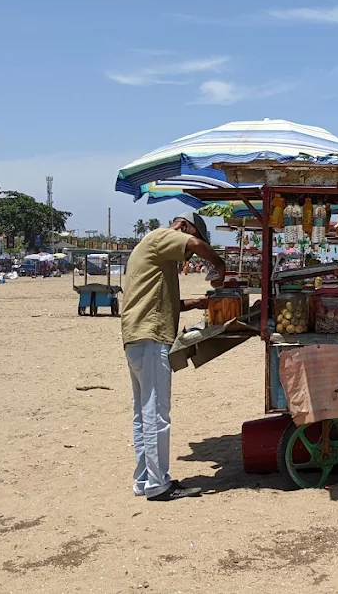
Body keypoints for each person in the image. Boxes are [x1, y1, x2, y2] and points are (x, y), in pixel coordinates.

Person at [119, 213, 226, 501]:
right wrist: (218, 264)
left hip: (137, 337)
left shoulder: (150, 250)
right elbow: (194, 243)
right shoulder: (160, 237)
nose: (188, 255)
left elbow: (162, 301)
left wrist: (196, 303)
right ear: (182, 226)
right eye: (189, 249)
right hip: (151, 337)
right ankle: (158, 484)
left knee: (143, 414)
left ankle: (144, 479)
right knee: (156, 413)